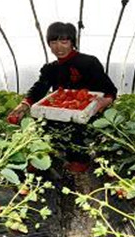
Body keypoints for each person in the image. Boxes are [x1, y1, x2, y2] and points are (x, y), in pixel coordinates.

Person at [7, 21, 118, 172]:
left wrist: (104, 102)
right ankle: (41, 157)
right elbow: (40, 87)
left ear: (73, 42)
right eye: (53, 42)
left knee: (76, 132)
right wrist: (25, 104)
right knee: (41, 125)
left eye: (64, 42)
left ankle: (80, 160)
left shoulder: (89, 62)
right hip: (60, 111)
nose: (58, 47)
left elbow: (110, 89)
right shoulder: (51, 68)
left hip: (86, 114)